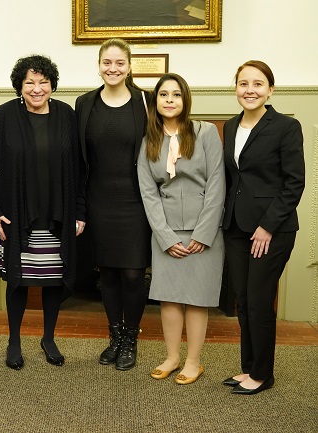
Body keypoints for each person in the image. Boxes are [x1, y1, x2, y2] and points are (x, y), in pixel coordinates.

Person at [0, 55, 86, 370]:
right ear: (19, 86)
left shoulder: (67, 116)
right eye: (30, 82)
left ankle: (48, 338)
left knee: (54, 280)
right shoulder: (2, 117)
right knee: (19, 281)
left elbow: (80, 169)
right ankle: (14, 341)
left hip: (58, 215)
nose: (37, 88)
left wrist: (80, 211)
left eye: (43, 82)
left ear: (52, 84)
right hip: (15, 215)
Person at [222, 60, 304, 395]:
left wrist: (267, 226)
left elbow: (294, 183)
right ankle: (248, 368)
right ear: (236, 88)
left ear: (270, 89)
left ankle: (263, 373)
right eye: (243, 83)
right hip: (237, 227)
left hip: (272, 230)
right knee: (243, 299)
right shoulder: (230, 126)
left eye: (258, 84)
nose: (250, 90)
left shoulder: (285, 127)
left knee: (258, 300)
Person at [137, 73, 225, 385]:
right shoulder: (149, 141)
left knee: (197, 298)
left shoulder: (206, 133)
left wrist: (204, 233)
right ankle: (173, 357)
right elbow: (148, 192)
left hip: (205, 231)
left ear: (185, 99)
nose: (170, 100)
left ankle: (193, 361)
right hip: (167, 232)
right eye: (163, 95)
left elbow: (217, 183)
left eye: (176, 94)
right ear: (156, 101)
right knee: (170, 298)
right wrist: (164, 236)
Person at [75, 38, 151, 371]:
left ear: (130, 66)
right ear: (99, 64)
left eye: (120, 62)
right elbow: (78, 160)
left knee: (133, 274)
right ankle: (115, 337)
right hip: (98, 201)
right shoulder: (84, 103)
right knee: (106, 274)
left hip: (137, 201)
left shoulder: (145, 102)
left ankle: (131, 340)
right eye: (107, 62)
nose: (113, 68)